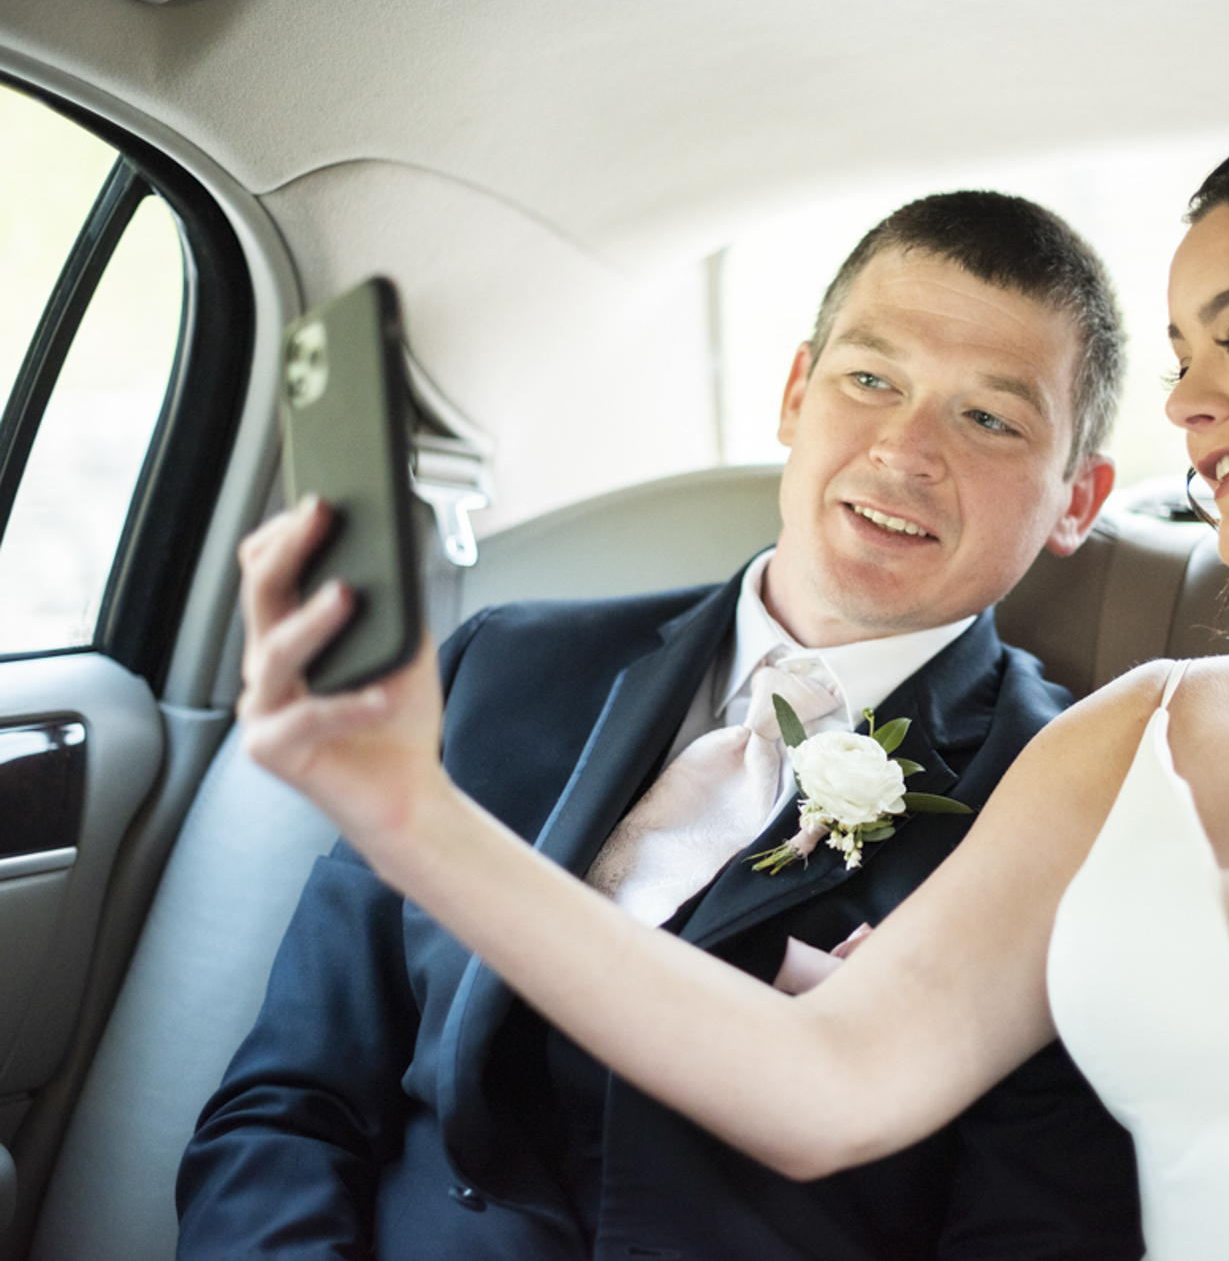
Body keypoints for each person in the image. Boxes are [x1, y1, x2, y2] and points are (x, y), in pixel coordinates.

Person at [229, 106, 1229, 1260]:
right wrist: (410, 810)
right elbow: (820, 1085)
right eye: (1178, 357)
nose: (1194, 406)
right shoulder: (1128, 735)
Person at [176, 191, 1146, 1260]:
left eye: (989, 418)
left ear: (1076, 500)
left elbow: (1029, 1232)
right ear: (793, 393)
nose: (905, 449)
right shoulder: (501, 666)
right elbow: (292, 1096)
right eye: (869, 379)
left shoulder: (1069, 802)